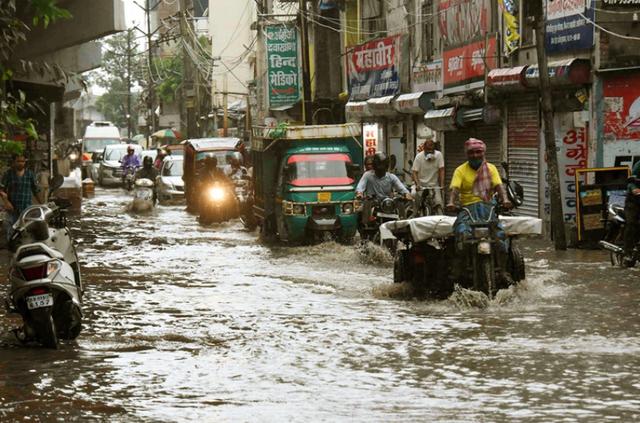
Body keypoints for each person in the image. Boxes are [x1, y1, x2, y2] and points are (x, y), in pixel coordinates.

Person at [446, 138, 512, 279]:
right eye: (471, 152)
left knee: (500, 237)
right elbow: (455, 189)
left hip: (488, 209)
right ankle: (460, 269)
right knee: (461, 235)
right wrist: (451, 202)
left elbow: (499, 186)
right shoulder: (460, 170)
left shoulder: (491, 168)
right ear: (467, 154)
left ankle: (502, 270)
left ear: (483, 153)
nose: (475, 155)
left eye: (478, 152)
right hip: (467, 210)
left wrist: (505, 200)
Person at [0, 154, 41, 240]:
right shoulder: (8, 174)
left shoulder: (30, 174)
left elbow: (36, 190)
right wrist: (6, 202)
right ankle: (11, 248)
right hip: (12, 208)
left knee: (25, 230)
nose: (20, 163)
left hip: (26, 208)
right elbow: (1, 189)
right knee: (11, 230)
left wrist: (42, 204)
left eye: (22, 161)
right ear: (14, 162)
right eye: (18, 161)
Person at [412, 137, 445, 213]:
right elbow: (414, 172)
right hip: (421, 185)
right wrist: (417, 184)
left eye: (431, 151)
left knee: (439, 202)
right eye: (428, 151)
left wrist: (442, 185)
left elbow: (441, 170)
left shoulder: (439, 155)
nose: (430, 153)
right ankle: (414, 215)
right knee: (415, 198)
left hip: (434, 185)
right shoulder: (419, 157)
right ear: (424, 149)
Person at [623, 160, 640, 266]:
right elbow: (630, 182)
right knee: (632, 223)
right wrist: (635, 189)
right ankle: (627, 252)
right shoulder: (639, 165)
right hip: (634, 203)